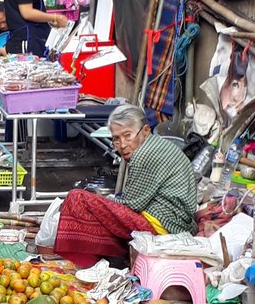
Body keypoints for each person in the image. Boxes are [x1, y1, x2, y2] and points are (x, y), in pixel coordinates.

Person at [53, 102, 198, 268]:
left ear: (145, 131)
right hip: (176, 222)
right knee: (101, 205)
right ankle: (106, 260)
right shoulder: (159, 145)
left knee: (77, 198)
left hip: (164, 226)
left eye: (128, 136)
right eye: (116, 139)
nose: (122, 144)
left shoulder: (144, 154)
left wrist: (106, 201)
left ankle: (85, 262)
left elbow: (133, 204)